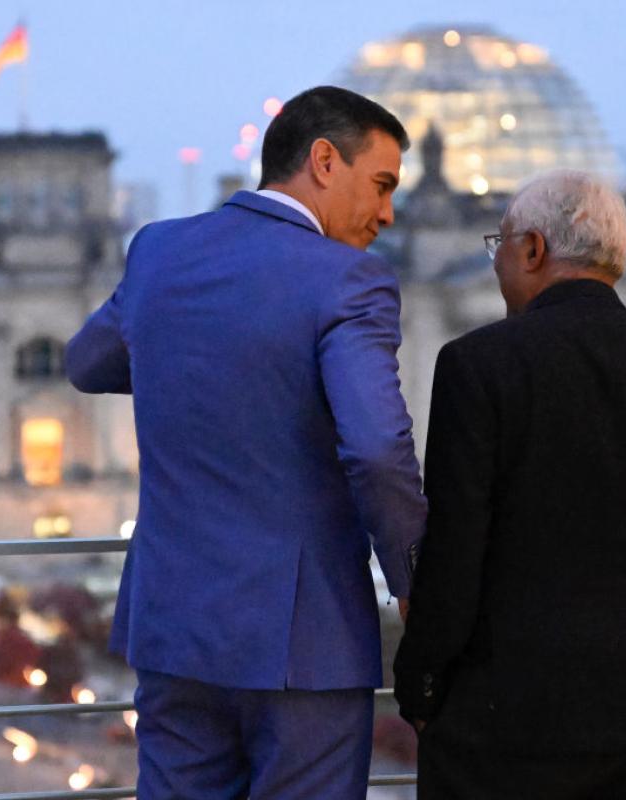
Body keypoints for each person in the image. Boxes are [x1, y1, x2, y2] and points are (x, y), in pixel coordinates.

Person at [65, 86, 427, 800]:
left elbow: (86, 363)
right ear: (324, 161)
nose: (387, 213)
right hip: (305, 645)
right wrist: (416, 582)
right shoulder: (349, 280)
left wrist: (198, 361)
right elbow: (376, 450)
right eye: (382, 185)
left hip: (174, 629)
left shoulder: (159, 251)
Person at [394, 169, 626, 799]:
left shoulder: (476, 364)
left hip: (503, 720)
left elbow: (455, 550)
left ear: (533, 249)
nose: (496, 262)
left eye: (499, 244)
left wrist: (420, 684)